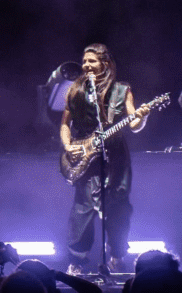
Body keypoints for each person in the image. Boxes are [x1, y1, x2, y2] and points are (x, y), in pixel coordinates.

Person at [60, 43, 145, 275]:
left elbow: (134, 124)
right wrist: (68, 146)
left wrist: (141, 117)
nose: (86, 65)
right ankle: (76, 260)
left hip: (116, 155)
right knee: (84, 208)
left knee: (118, 206)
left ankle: (116, 254)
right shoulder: (75, 90)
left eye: (92, 61)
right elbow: (65, 125)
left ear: (105, 64)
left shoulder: (122, 90)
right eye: (85, 61)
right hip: (85, 153)